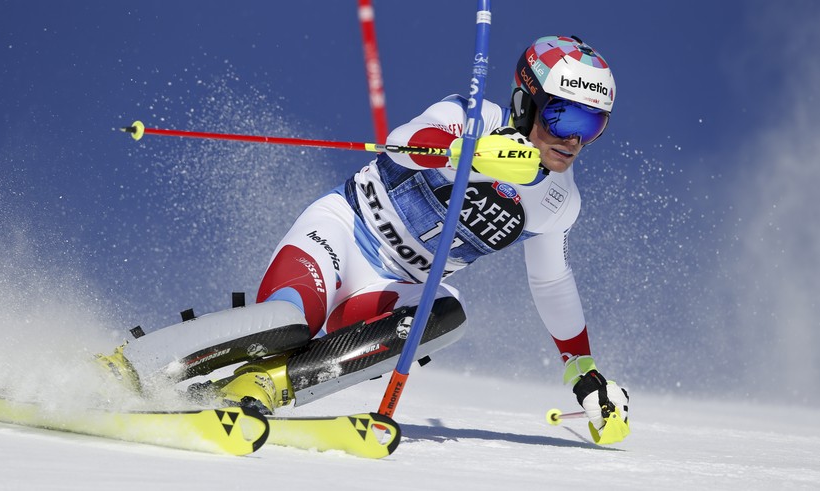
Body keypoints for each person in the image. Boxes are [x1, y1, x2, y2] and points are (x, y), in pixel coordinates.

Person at [98, 35, 629, 442]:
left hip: (389, 289)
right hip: (343, 233)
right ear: (526, 101)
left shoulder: (560, 202)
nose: (574, 140)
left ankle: (262, 384)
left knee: (446, 315)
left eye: (593, 124)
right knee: (289, 321)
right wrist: (468, 154)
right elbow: (402, 143)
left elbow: (552, 282)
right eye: (565, 116)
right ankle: (128, 367)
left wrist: (583, 371)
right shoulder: (472, 118)